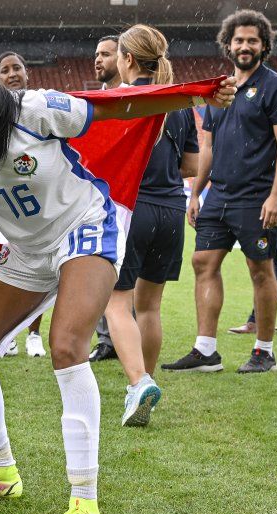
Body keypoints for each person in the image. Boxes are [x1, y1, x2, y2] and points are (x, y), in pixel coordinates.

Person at [0, 21, 235, 514]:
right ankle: (1, 471)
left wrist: (189, 93)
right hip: (28, 250)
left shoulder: (33, 108)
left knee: (67, 345)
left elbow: (115, 107)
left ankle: (84, 501)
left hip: (86, 226)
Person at [163, 9, 277, 374]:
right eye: (239, 40)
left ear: (264, 46)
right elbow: (209, 148)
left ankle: (264, 352)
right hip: (220, 195)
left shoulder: (275, 86)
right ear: (228, 45)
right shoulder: (221, 91)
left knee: (260, 268)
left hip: (259, 195)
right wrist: (197, 193)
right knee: (203, 262)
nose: (245, 46)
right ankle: (206, 352)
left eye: (252, 40)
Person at [105, 25, 199, 427]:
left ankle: (138, 382)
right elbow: (191, 167)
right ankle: (146, 387)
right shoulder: (178, 105)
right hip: (171, 211)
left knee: (115, 303)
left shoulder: (121, 99)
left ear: (127, 59)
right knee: (150, 307)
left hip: (134, 207)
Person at [0, 50, 47, 358]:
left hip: (38, 201)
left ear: (27, 74)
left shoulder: (41, 106)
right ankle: (8, 335)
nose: (12, 73)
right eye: (5, 69)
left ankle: (35, 335)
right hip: (3, 202)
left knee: (38, 269)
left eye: (17, 68)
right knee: (6, 270)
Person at [88, 35, 122, 362]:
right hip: (96, 199)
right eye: (96, 54)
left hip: (124, 199)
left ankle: (125, 334)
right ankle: (106, 340)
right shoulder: (90, 104)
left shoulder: (131, 102)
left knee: (125, 276)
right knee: (98, 268)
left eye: (106, 54)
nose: (98, 60)